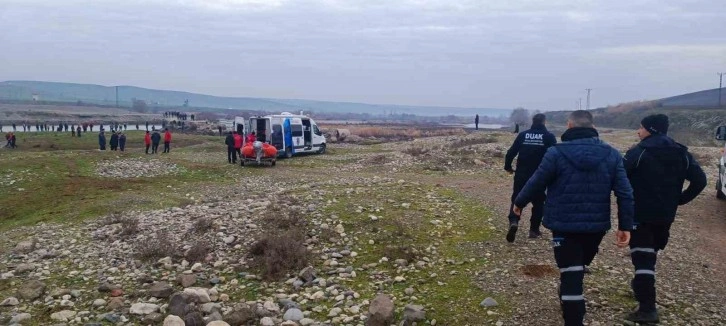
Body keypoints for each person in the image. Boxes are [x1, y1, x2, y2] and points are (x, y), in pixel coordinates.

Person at [513, 110, 634, 326]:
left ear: (569, 126)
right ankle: (572, 306)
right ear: (592, 126)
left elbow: (537, 181)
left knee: (571, 271)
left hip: (563, 224)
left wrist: (519, 202)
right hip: (596, 227)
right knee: (574, 270)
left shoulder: (556, 153)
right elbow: (625, 192)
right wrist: (625, 225)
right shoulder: (612, 154)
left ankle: (572, 310)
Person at [622, 114, 707, 323]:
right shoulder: (681, 152)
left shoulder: (639, 152)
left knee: (643, 260)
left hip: (640, 215)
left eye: (641, 128)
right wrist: (679, 200)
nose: (638, 132)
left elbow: (620, 178)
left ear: (650, 129)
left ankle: (647, 309)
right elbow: (700, 181)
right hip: (665, 216)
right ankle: (641, 287)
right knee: (650, 255)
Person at [504, 113, 557, 241]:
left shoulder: (523, 135)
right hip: (540, 175)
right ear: (544, 122)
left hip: (522, 174)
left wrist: (508, 166)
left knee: (517, 198)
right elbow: (555, 155)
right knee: (539, 202)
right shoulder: (549, 137)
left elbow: (511, 152)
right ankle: (534, 230)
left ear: (532, 122)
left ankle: (514, 221)